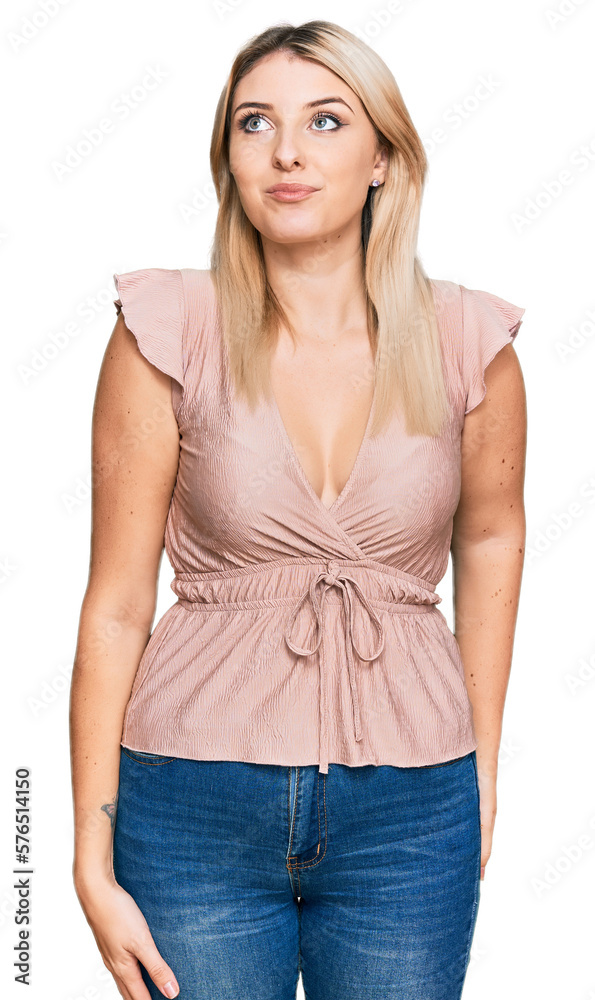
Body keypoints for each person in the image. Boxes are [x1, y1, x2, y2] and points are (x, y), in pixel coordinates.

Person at [70, 19, 526, 1000]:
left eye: (325, 121)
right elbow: (116, 603)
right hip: (190, 806)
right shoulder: (167, 327)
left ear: (383, 157)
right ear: (227, 158)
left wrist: (483, 771)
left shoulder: (466, 338)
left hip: (413, 810)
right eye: (254, 123)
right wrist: (87, 854)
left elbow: (492, 538)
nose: (285, 151)